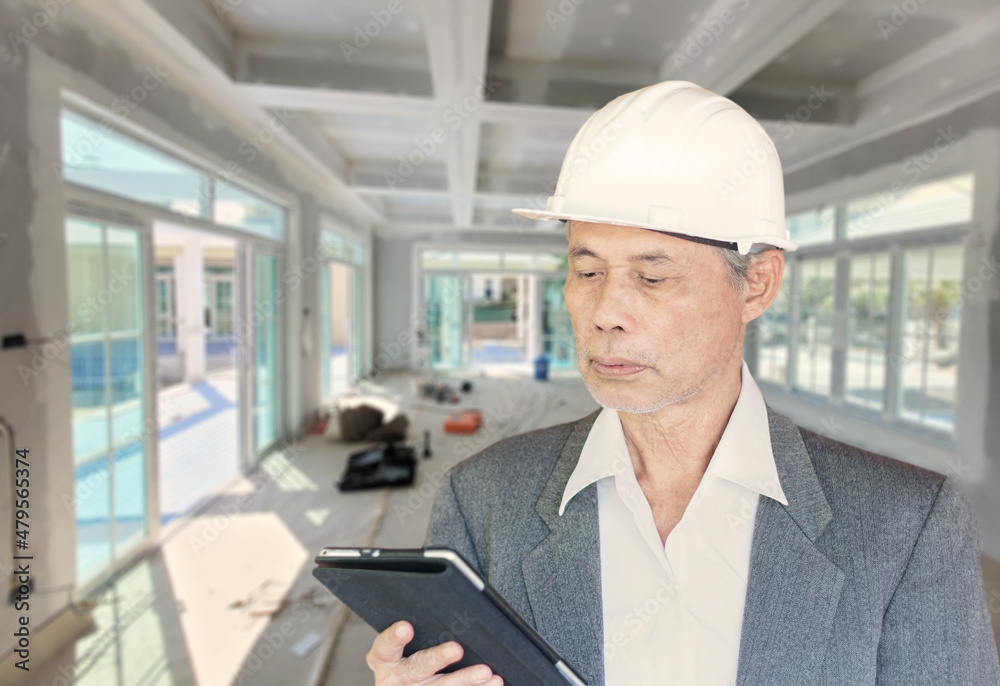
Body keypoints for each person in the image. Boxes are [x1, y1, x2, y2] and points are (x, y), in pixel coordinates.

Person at [364, 81, 1000, 685]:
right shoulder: (484, 501)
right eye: (587, 272)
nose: (605, 312)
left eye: (652, 276)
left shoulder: (907, 527)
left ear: (756, 284)